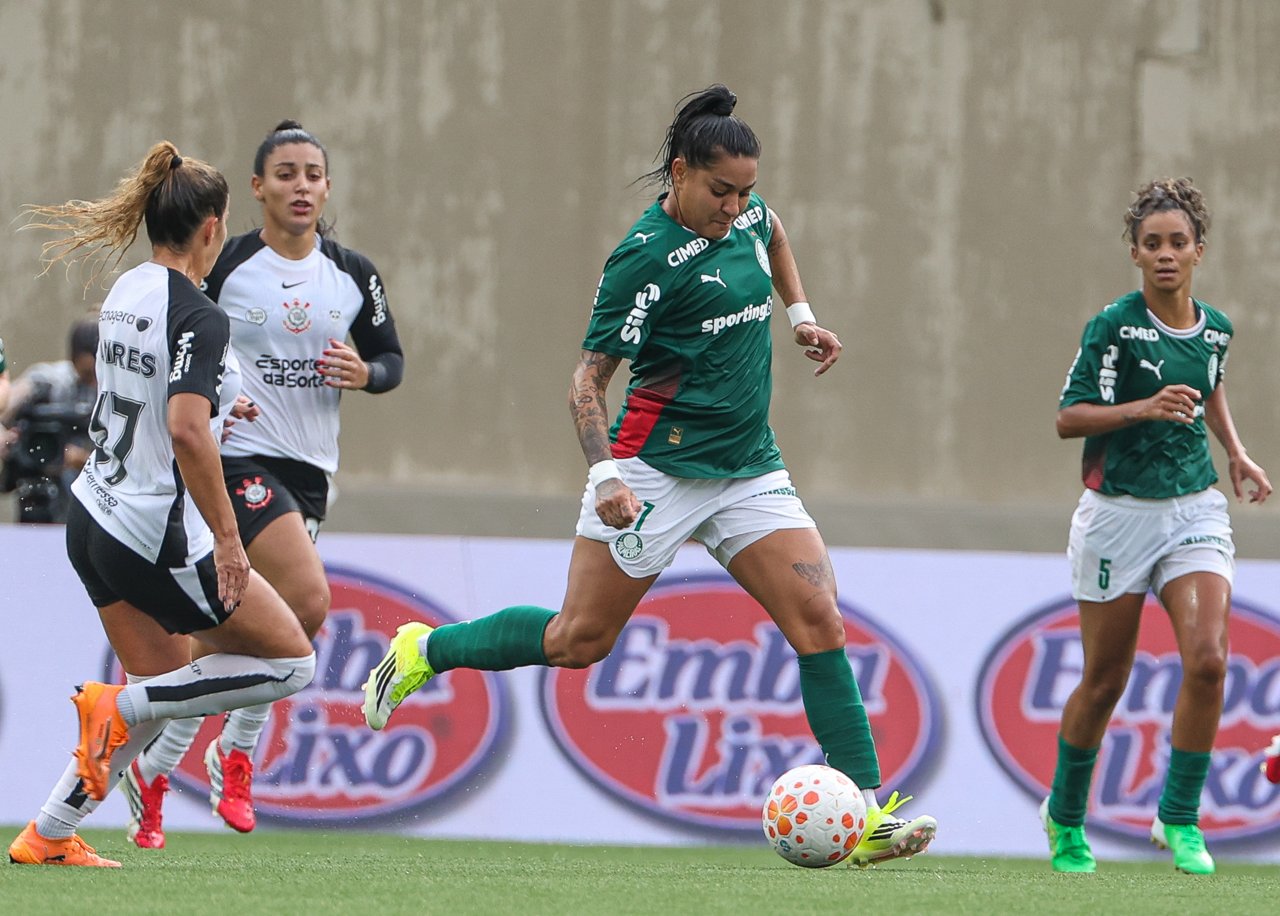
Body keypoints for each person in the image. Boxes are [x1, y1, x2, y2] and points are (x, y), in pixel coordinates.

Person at [360, 84, 936, 867]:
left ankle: (865, 814)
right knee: (577, 641)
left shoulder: (751, 219)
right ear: (680, 172)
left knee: (820, 619)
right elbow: (586, 383)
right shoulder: (643, 260)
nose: (735, 208)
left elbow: (777, 237)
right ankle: (428, 648)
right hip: (651, 470)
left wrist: (800, 316)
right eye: (719, 191)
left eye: (745, 192)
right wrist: (606, 479)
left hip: (746, 467)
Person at [7, 141, 315, 868]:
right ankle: (112, 708)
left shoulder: (127, 290)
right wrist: (230, 539)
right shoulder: (200, 315)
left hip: (93, 517)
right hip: (151, 528)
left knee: (161, 688)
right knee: (293, 663)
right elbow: (184, 428)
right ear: (212, 227)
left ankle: (48, 832)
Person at [121, 120, 403, 847]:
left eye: (313, 173)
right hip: (240, 459)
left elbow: (392, 359)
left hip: (311, 475)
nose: (300, 185)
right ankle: (236, 751)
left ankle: (160, 763)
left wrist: (364, 373)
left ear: (328, 187)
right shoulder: (229, 264)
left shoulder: (352, 274)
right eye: (285, 173)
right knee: (309, 602)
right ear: (258, 188)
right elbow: (180, 332)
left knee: (250, 644)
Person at [1042, 177, 1272, 875]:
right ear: (1135, 254)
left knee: (1208, 660)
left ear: (1198, 251)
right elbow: (1068, 418)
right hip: (1117, 516)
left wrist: (1235, 452)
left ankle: (1179, 818)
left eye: (1177, 243)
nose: (1165, 254)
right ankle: (1066, 817)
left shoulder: (1218, 328)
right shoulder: (1113, 326)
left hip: (1193, 509)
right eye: (1152, 244)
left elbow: (1210, 382)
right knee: (1106, 679)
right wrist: (1141, 408)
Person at [0, 317, 99, 523]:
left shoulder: (111, 389)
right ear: (74, 358)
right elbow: (10, 400)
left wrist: (84, 460)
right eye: (87, 371)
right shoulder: (50, 379)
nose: (92, 380)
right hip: (37, 492)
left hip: (87, 503)